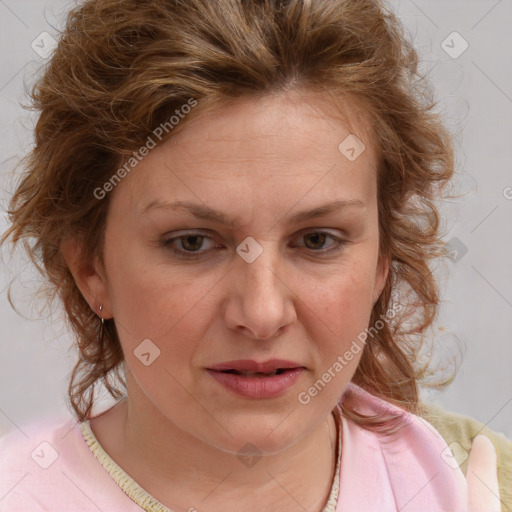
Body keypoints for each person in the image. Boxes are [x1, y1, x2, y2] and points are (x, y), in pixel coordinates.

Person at [0, 0, 510, 510]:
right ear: (92, 268)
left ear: (382, 261)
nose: (262, 315)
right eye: (192, 242)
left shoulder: (475, 483)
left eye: (317, 240)